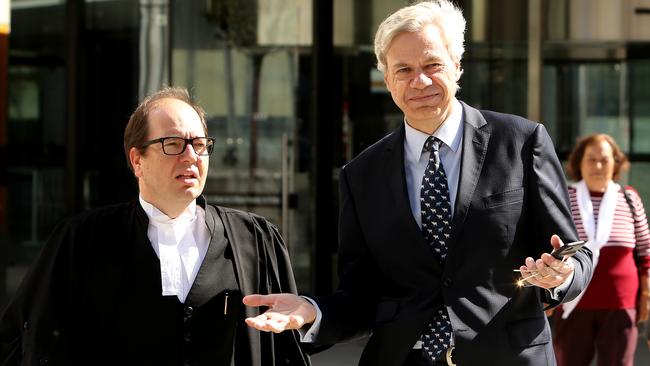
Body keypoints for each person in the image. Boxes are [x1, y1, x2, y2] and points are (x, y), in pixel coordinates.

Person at [242, 1, 593, 365]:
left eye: (432, 65)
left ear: (457, 66)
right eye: (404, 69)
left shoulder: (521, 141)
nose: (419, 81)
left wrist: (561, 275)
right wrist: (312, 311)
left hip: (508, 356)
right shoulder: (361, 174)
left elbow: (575, 252)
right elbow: (361, 295)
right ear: (387, 78)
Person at [0, 86, 310, 366]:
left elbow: (287, 350)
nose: (191, 156)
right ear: (137, 160)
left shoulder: (254, 240)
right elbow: (26, 338)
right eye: (173, 144)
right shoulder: (82, 240)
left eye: (200, 145)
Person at [552, 134, 650, 366]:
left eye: (604, 160)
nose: (597, 165)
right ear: (578, 162)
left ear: (616, 163)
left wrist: (646, 295)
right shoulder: (565, 197)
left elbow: (645, 251)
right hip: (572, 302)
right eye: (591, 159)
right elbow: (549, 245)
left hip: (621, 303)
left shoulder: (629, 198)